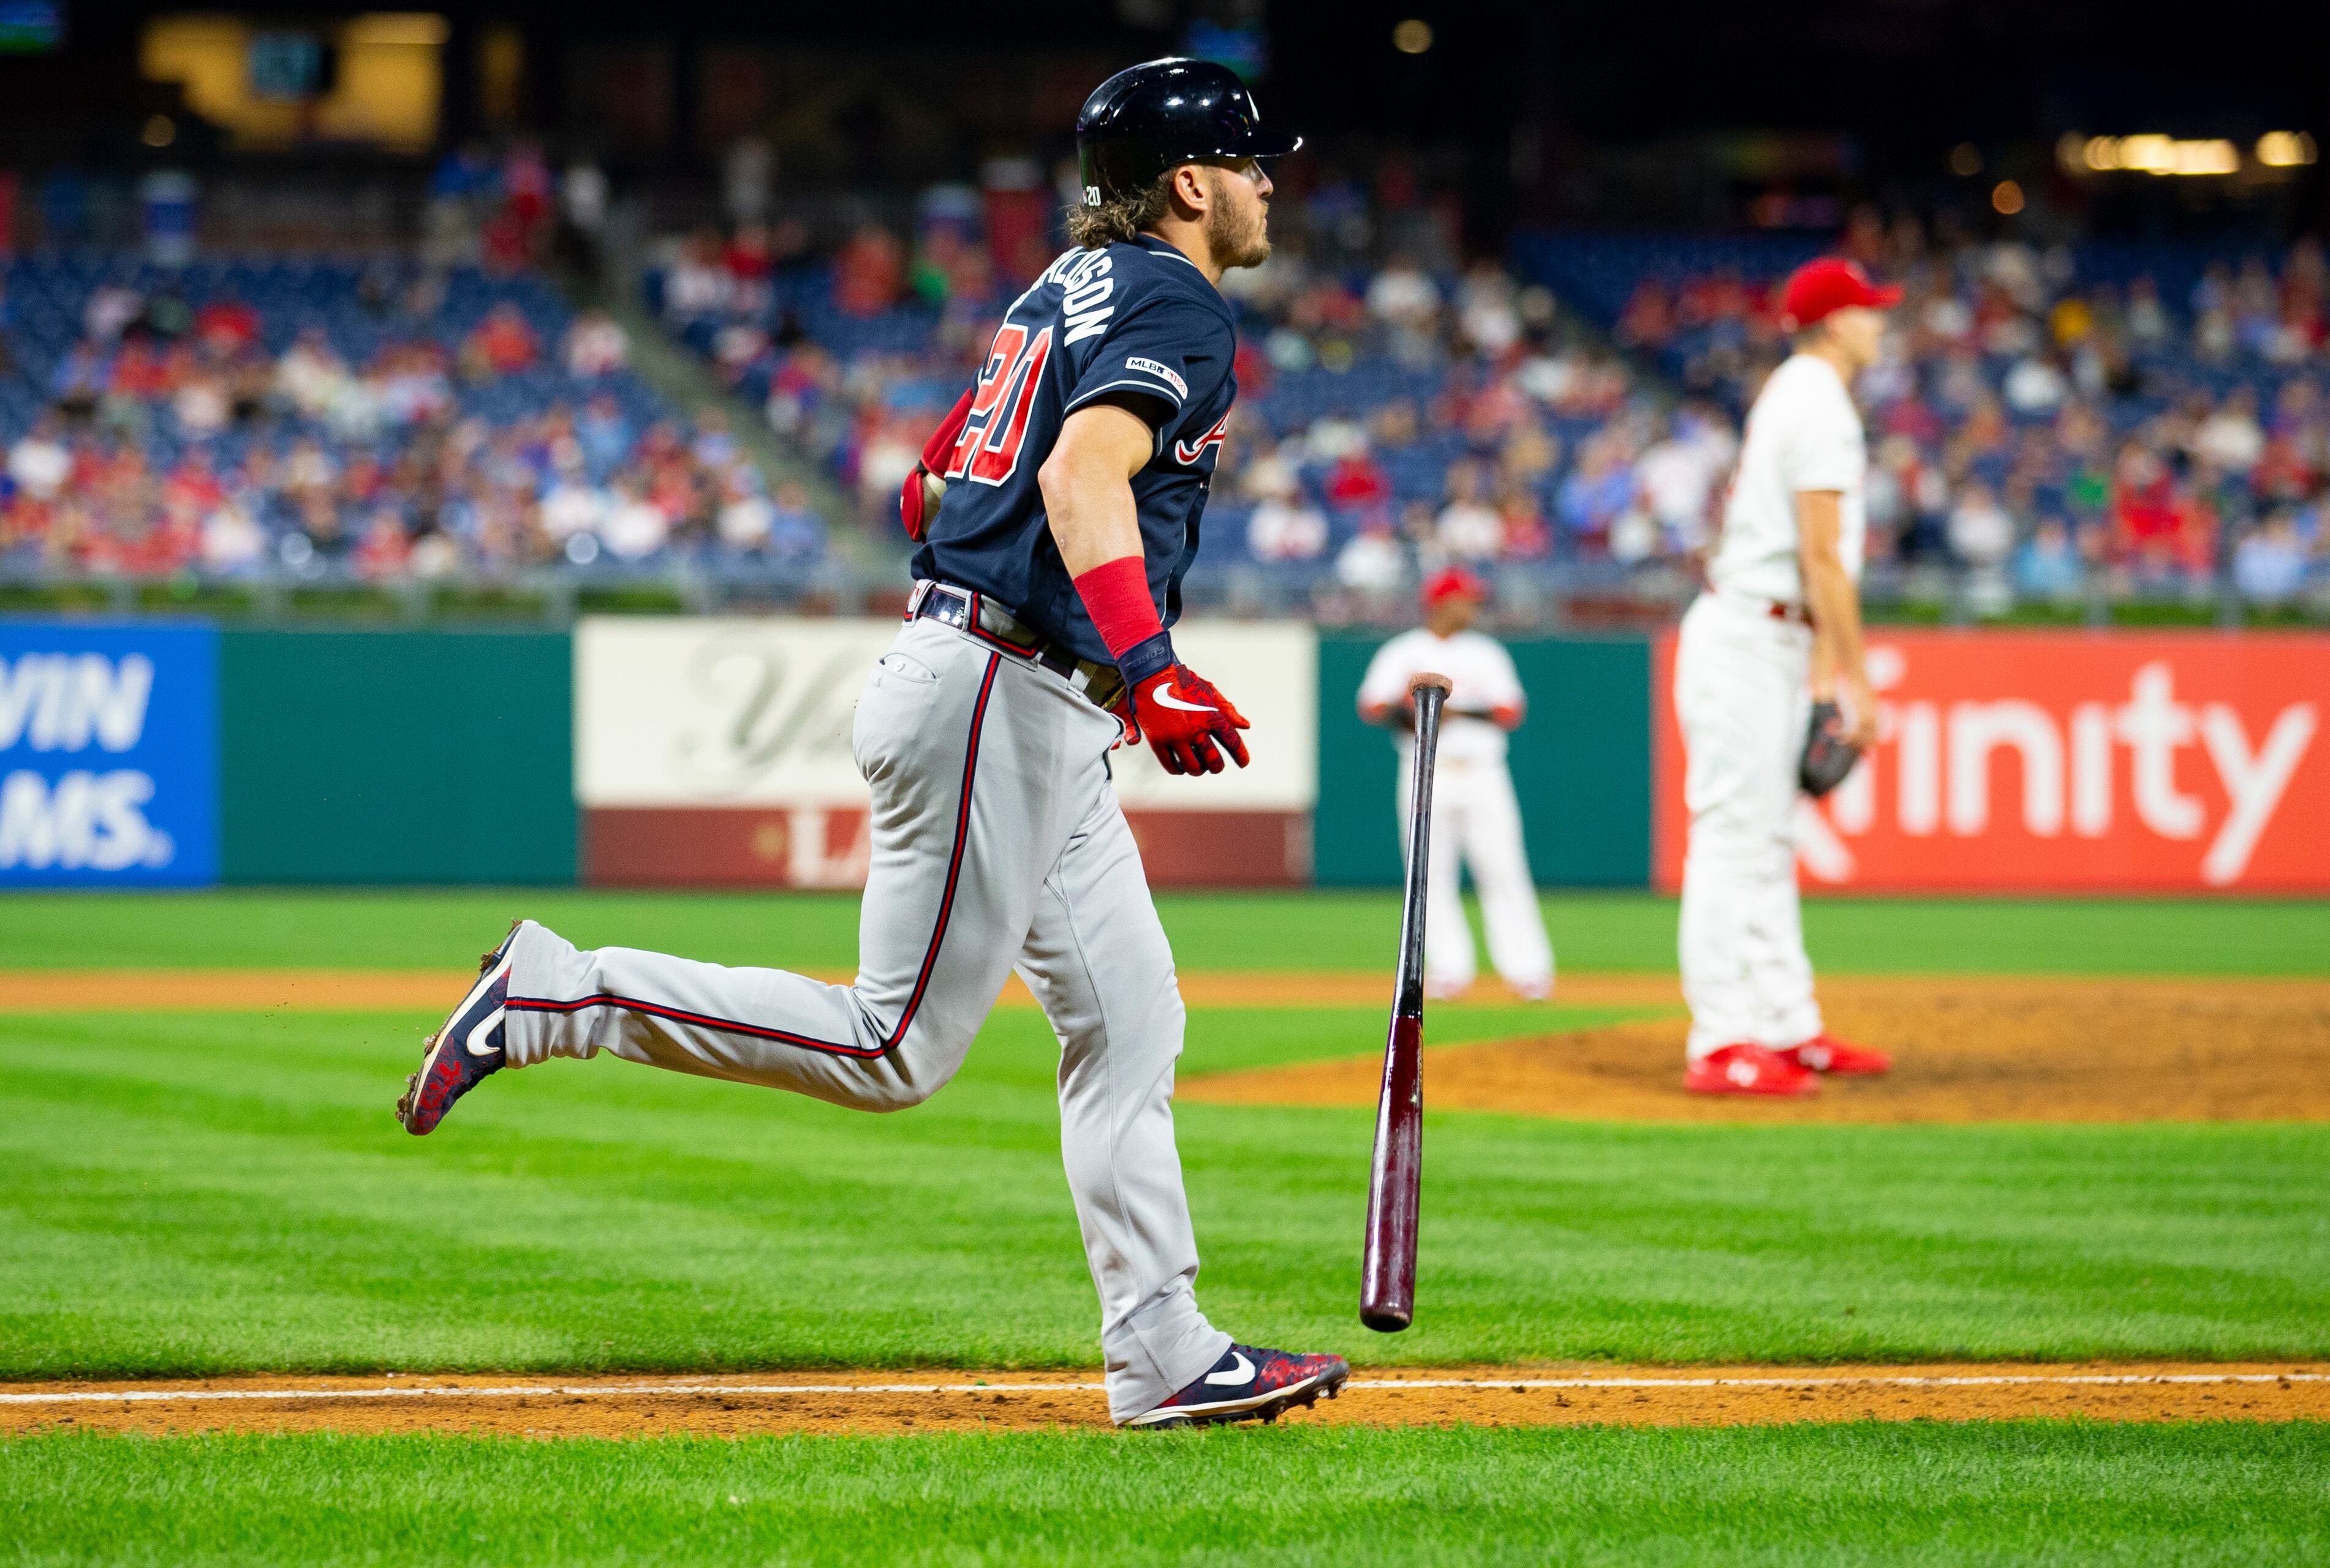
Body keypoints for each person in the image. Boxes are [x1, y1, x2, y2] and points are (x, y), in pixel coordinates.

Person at [393, 58, 1344, 1433]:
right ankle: (562, 992)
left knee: (1133, 1022)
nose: (1269, 185)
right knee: (892, 1043)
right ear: (1190, 183)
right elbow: (1078, 475)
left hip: (1015, 686)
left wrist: (1082, 639)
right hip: (1002, 684)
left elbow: (937, 472)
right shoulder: (1175, 295)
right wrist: (1148, 658)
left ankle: (1165, 1351)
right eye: (1255, 164)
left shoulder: (1057, 290)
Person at [1675, 257, 1897, 1098]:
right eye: (1869, 311)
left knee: (1764, 840)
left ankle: (1785, 1026)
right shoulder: (1820, 400)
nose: (1880, 322)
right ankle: (1721, 1038)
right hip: (1747, 634)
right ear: (1836, 321)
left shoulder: (1797, 392)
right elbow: (1822, 557)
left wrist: (1816, 673)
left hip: (1763, 634)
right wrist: (1854, 682)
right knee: (1736, 838)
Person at [1357, 568, 1554, 1001]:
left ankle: (1528, 970)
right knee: (1429, 876)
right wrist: (1415, 716)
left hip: (1483, 773)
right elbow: (1371, 705)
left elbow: (1510, 712)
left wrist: (1458, 713)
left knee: (1503, 869)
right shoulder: (1404, 650)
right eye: (1466, 600)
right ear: (1442, 603)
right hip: (1425, 772)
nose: (1474, 607)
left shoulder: (1487, 652)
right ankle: (1449, 970)